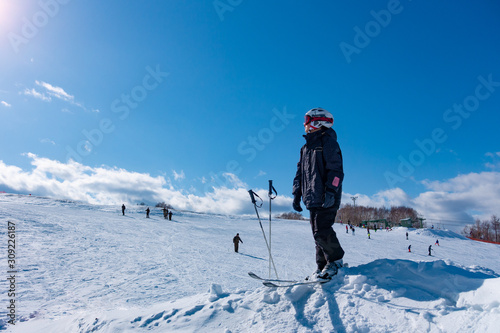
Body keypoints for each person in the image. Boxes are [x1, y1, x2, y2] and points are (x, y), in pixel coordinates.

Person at [293, 107, 344, 280]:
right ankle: (322, 266)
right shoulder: (305, 148)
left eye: (307, 121)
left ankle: (336, 261)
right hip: (312, 197)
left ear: (317, 122)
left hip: (327, 197)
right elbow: (300, 173)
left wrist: (331, 190)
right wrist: (296, 194)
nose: (304, 125)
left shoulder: (328, 142)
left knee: (322, 230)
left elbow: (336, 171)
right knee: (317, 234)